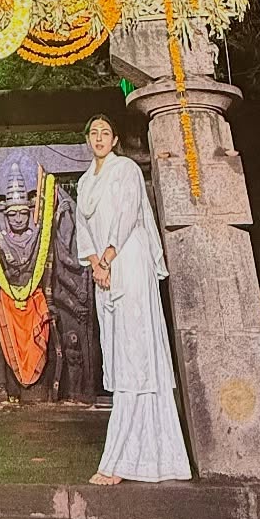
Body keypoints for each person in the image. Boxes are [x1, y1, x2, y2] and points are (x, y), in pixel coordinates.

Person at [76, 114, 192, 483]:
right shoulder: (83, 182)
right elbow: (83, 228)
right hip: (103, 271)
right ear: (87, 140)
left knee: (136, 354)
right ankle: (136, 455)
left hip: (128, 261)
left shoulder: (124, 170)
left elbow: (127, 216)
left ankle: (122, 459)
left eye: (105, 133)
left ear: (114, 141)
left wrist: (108, 258)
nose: (98, 138)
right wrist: (96, 263)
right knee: (119, 353)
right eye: (93, 132)